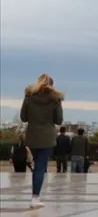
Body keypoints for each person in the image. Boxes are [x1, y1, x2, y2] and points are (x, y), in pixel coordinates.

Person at [20, 73, 64, 209]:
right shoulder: (55, 100)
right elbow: (58, 120)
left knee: (36, 166)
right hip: (47, 137)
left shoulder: (29, 97)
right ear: (51, 84)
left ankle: (35, 193)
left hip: (32, 136)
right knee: (40, 167)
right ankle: (35, 198)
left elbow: (23, 117)